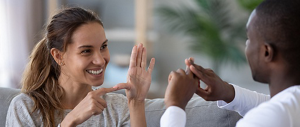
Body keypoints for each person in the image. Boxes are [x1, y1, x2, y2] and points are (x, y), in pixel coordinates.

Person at [5, 7, 155, 127]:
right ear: (58, 56)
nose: (100, 60)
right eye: (86, 51)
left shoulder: (116, 107)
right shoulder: (26, 107)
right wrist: (71, 120)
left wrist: (136, 103)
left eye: (103, 46)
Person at [160, 0, 300, 126]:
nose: (246, 45)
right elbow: (273, 104)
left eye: (249, 39)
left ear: (266, 52)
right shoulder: (290, 105)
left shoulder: (266, 119)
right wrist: (228, 92)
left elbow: (273, 112)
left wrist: (174, 105)